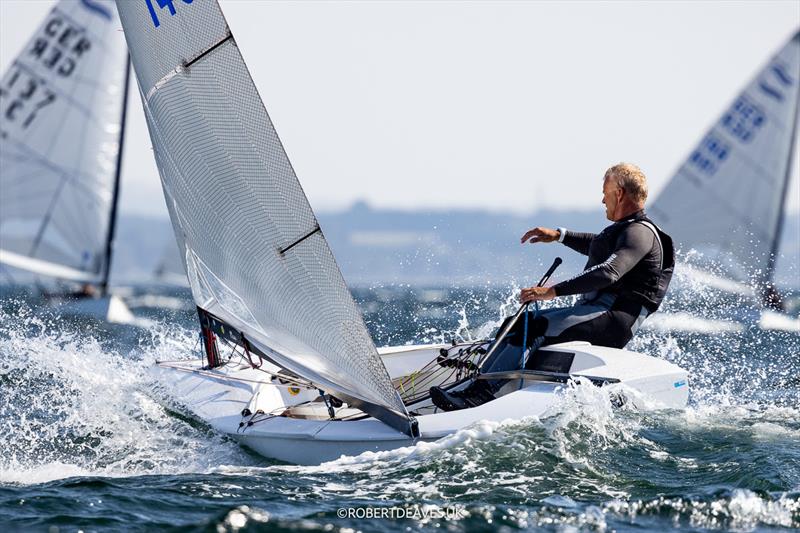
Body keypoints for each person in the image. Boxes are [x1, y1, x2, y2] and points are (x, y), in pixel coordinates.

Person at [431, 162, 675, 411]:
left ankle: (477, 398)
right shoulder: (626, 231)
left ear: (619, 193)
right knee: (513, 324)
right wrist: (559, 235)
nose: (602, 200)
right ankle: (479, 386)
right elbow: (598, 245)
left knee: (532, 326)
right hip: (597, 312)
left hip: (613, 320)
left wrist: (550, 292)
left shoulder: (640, 233)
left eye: (605, 192)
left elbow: (609, 272)